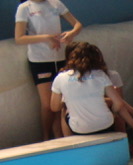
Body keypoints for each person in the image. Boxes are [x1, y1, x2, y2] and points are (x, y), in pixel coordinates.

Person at [14, 0, 82, 140]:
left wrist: (71, 33)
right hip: (40, 60)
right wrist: (46, 38)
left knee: (61, 101)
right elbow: (19, 38)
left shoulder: (55, 3)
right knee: (47, 104)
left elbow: (77, 24)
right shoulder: (25, 8)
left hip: (60, 57)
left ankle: (60, 134)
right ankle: (46, 137)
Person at [50, 42, 128, 136]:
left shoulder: (61, 78)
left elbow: (54, 107)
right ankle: (125, 140)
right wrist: (113, 112)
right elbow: (119, 103)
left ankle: (70, 143)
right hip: (106, 124)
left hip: (79, 129)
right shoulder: (100, 74)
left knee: (64, 110)